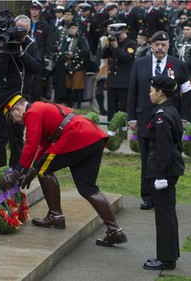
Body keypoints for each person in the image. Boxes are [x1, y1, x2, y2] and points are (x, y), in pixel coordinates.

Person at [0, 94, 128, 247]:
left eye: (11, 116)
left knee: (43, 171)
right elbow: (44, 145)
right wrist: (31, 170)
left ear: (18, 109)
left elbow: (31, 145)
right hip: (92, 137)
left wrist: (17, 173)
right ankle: (115, 231)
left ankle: (55, 215)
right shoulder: (40, 108)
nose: (14, 121)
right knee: (88, 188)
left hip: (77, 137)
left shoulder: (31, 113)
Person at [127, 31, 191, 210]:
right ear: (151, 46)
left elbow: (187, 93)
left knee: (168, 157)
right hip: (145, 119)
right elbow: (132, 91)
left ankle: (166, 195)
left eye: (163, 44)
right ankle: (148, 196)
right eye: (157, 44)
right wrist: (131, 117)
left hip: (170, 121)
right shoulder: (140, 63)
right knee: (148, 158)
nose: (160, 48)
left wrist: (184, 118)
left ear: (168, 46)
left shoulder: (178, 65)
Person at [0, 11, 42, 167]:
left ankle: (16, 171)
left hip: (21, 97)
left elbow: (37, 67)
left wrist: (21, 53)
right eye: (18, 29)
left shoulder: (30, 46)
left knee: (17, 138)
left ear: (29, 31)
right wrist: (4, 51)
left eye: (25, 31)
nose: (21, 33)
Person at [143, 75, 185, 270]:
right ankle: (169, 256)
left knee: (165, 216)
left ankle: (166, 259)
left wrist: (160, 176)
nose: (150, 93)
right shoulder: (168, 110)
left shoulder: (162, 115)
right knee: (167, 214)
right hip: (168, 170)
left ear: (160, 93)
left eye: (152, 90)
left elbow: (163, 149)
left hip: (164, 172)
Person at [101, 22, 137, 121]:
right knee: (111, 108)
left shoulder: (131, 43)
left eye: (119, 34)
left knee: (123, 108)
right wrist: (109, 44)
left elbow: (126, 58)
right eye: (115, 34)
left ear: (124, 31)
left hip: (123, 81)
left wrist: (116, 47)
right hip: (112, 80)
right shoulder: (112, 42)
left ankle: (123, 131)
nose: (117, 36)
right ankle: (111, 131)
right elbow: (103, 55)